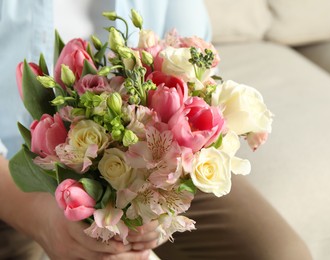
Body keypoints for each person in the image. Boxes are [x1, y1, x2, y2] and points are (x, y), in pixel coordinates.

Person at [0, 0, 313, 259]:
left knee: (281, 253)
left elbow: (194, 69)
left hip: (145, 159)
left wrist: (157, 205)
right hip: (10, 171)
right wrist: (39, 219)